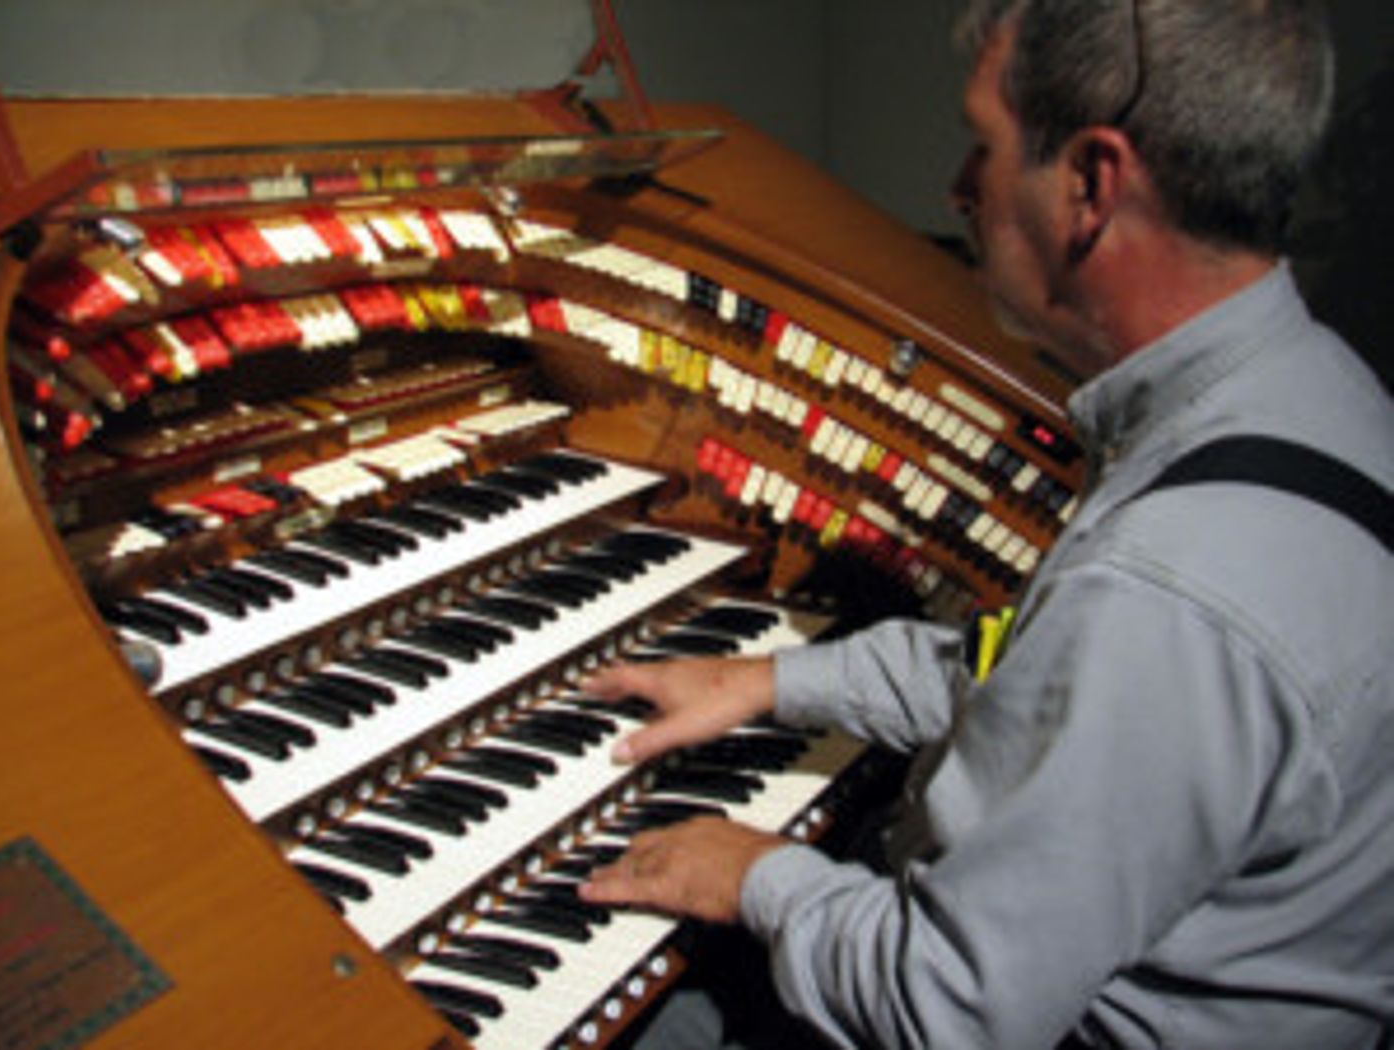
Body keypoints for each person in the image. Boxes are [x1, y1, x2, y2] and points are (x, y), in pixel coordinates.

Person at [579, 1, 1394, 1048]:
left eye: (983, 145)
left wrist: (755, 875)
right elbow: (1046, 680)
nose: (957, 189)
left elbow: (941, 1013)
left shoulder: (1163, 588)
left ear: (1090, 185)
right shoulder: (1313, 394)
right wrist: (773, 682)